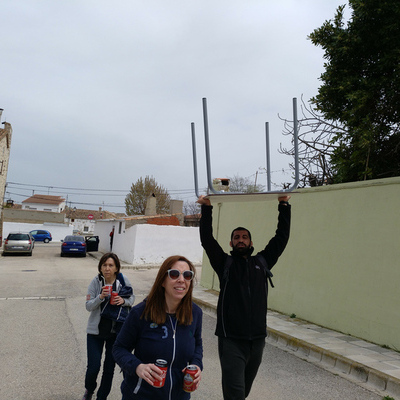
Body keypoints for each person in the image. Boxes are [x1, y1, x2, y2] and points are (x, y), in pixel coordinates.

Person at [197, 194, 291, 400]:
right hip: (231, 340)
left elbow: (281, 238)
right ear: (231, 243)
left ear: (250, 241)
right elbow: (207, 239)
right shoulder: (225, 264)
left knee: (243, 391)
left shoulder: (262, 262)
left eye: (244, 237)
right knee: (235, 394)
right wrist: (206, 208)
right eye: (237, 237)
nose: (241, 240)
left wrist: (283, 205)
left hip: (257, 340)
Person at [113, 255, 203, 400]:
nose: (181, 279)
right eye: (174, 274)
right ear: (162, 280)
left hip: (180, 396)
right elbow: (118, 348)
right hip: (141, 395)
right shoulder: (140, 313)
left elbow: (197, 344)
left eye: (187, 275)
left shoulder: (195, 313)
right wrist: (137, 367)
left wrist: (197, 365)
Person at [82, 252, 135, 400]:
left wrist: (122, 301)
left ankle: (102, 397)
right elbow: (88, 306)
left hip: (115, 332)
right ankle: (89, 390)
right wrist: (100, 297)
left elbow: (132, 298)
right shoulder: (96, 282)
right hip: (95, 332)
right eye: (104, 265)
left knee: (109, 369)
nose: (107, 268)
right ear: (100, 267)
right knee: (93, 367)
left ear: (116, 268)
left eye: (111, 265)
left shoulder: (123, 280)